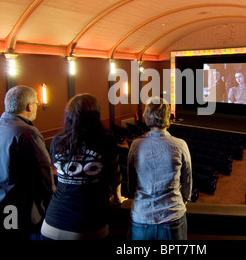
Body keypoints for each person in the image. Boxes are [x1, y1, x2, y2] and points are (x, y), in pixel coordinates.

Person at [0, 85, 55, 240]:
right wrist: (54, 206)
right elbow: (43, 177)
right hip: (6, 219)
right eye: (37, 104)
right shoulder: (26, 133)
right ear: (29, 106)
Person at [41, 93, 126, 240]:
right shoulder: (106, 140)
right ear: (96, 115)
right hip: (88, 225)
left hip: (52, 224)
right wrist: (117, 198)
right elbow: (115, 175)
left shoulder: (57, 141)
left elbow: (60, 175)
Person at [127, 97, 192, 240]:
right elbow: (187, 181)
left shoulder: (136, 145)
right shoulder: (180, 145)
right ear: (168, 117)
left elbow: (131, 184)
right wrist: (184, 198)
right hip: (173, 215)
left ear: (147, 116)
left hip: (141, 216)